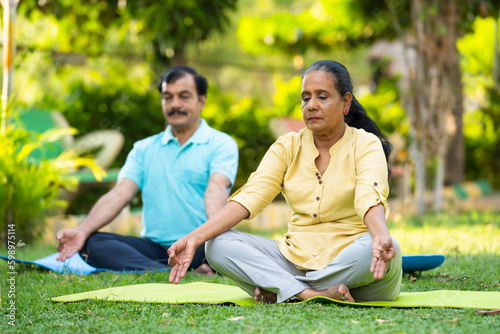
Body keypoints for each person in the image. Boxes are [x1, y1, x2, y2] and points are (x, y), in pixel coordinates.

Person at [167, 60, 402, 303]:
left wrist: (381, 234)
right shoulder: (287, 146)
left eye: (322, 97)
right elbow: (249, 198)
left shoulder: (365, 144)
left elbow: (369, 196)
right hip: (293, 260)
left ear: (346, 102)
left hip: (353, 266)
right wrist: (195, 238)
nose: (312, 105)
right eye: (306, 98)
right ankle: (310, 294)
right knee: (216, 245)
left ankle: (284, 289)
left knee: (382, 248)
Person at [56, 66, 239, 274]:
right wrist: (81, 230)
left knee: (216, 248)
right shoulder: (143, 149)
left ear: (201, 101)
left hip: (199, 244)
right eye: (168, 97)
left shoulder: (221, 143)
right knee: (92, 242)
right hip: (154, 247)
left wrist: (214, 242)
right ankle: (169, 270)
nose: (175, 104)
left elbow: (216, 188)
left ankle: (189, 264)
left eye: (184, 97)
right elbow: (119, 193)